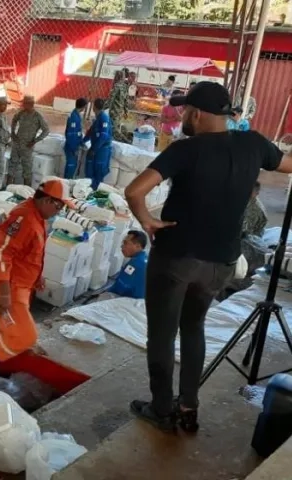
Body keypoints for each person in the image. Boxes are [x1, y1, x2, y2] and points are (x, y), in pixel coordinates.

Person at [124, 81, 292, 433]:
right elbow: (287, 165)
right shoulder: (253, 143)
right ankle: (188, 406)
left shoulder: (186, 149)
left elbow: (134, 190)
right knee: (194, 328)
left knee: (162, 335)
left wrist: (147, 221)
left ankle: (161, 408)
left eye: (186, 110)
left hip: (177, 258)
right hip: (221, 262)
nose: (184, 115)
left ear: (197, 114)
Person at [0, 180, 72, 382]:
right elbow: (2, 254)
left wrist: (36, 276)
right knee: (26, 337)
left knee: (12, 328)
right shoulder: (25, 219)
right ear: (47, 200)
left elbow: (27, 252)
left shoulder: (36, 215)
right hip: (6, 286)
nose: (59, 211)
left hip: (19, 286)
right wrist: (4, 293)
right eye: (59, 206)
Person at [8, 95, 49, 187]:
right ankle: (8, 189)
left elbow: (46, 130)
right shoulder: (21, 113)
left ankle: (26, 192)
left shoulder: (38, 116)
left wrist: (35, 141)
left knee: (26, 170)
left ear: (31, 104)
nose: (23, 105)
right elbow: (14, 120)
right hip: (17, 144)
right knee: (12, 167)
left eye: (24, 103)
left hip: (27, 147)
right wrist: (13, 133)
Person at [109, 230, 148, 299]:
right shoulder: (145, 258)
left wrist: (107, 292)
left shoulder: (135, 264)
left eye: (125, 243)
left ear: (137, 246)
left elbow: (120, 287)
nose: (122, 246)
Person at [83, 98, 112, 189]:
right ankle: (89, 190)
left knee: (98, 173)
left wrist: (94, 149)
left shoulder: (104, 118)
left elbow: (103, 136)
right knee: (90, 170)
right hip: (96, 148)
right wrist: (82, 141)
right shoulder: (98, 118)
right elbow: (91, 132)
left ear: (93, 107)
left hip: (102, 150)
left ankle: (94, 191)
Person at [64, 98, 87, 179]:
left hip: (74, 146)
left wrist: (81, 143)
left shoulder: (76, 115)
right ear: (83, 106)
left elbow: (77, 133)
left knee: (72, 167)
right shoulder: (74, 117)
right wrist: (74, 149)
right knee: (70, 168)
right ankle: (66, 183)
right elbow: (71, 135)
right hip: (71, 148)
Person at [104, 70, 130, 142]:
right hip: (120, 112)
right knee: (117, 127)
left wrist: (103, 108)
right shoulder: (125, 86)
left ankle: (126, 141)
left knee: (114, 129)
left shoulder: (116, 86)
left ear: (116, 77)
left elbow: (111, 99)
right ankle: (118, 141)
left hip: (114, 111)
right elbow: (126, 100)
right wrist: (126, 111)